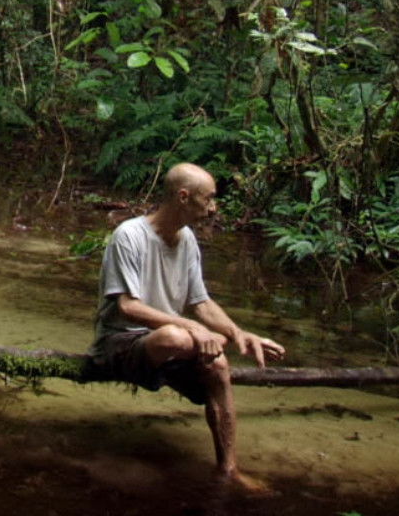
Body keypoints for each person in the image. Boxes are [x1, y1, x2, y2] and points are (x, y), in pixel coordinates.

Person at [88, 162, 285, 488]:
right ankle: (188, 343)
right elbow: (127, 306)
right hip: (120, 343)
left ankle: (228, 470)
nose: (213, 207)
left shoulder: (188, 240)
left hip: (171, 345)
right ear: (183, 197)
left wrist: (238, 334)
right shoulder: (129, 236)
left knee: (218, 364)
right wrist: (194, 329)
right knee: (175, 337)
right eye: (208, 198)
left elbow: (201, 303)